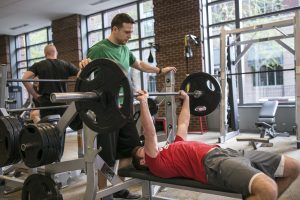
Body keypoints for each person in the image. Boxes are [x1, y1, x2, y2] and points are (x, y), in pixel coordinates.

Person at [132, 90, 300, 200]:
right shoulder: (155, 163)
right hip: (212, 164)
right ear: (142, 161)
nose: (147, 148)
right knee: (268, 189)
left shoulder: (173, 146)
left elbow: (183, 123)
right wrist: (144, 103)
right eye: (143, 149)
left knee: (294, 167)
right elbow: (150, 133)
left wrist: (187, 100)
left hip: (228, 152)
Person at [79, 13, 176, 199]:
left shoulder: (124, 48)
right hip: (107, 109)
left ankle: (119, 188)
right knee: (105, 155)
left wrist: (160, 70)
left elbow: (138, 63)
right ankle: (103, 193)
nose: (129, 35)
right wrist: (83, 64)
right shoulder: (99, 49)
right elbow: (86, 67)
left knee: (129, 148)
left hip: (126, 108)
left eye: (131, 32)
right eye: (126, 32)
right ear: (114, 29)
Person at [22, 44, 81, 119]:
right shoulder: (65, 64)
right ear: (56, 53)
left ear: (45, 54)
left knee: (47, 127)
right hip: (61, 101)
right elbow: (81, 74)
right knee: (61, 127)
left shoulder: (39, 65)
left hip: (46, 102)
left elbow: (24, 79)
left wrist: (35, 95)